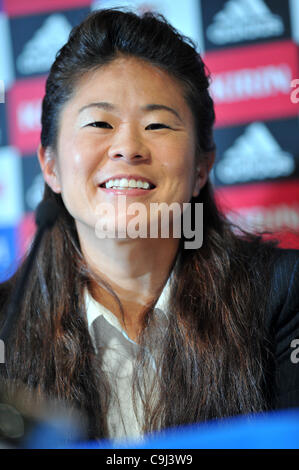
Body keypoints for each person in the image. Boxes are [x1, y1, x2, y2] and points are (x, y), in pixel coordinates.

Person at [0, 8, 298, 443]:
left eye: (157, 124)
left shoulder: (284, 297)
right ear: (50, 165)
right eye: (100, 123)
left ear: (201, 167)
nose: (127, 147)